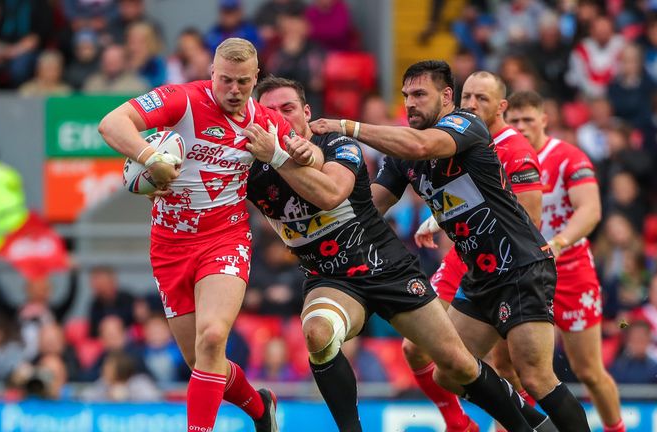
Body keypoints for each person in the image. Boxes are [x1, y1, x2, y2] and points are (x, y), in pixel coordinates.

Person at [245, 76, 548, 432]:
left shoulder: (338, 144)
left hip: (387, 267)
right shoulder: (250, 166)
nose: (280, 117)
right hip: (331, 278)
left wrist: (281, 157)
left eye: (288, 108)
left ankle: (533, 426)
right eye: (270, 110)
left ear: (306, 112)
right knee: (317, 334)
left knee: (459, 365)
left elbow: (330, 194)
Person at [310, 60, 590, 432]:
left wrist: (348, 127)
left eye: (420, 94)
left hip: (521, 266)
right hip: (480, 274)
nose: (410, 103)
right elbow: (371, 206)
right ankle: (540, 427)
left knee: (537, 377)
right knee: (451, 370)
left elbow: (424, 145)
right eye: (406, 95)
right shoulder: (400, 155)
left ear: (446, 97)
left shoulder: (465, 125)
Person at [98, 38, 289, 432]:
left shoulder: (265, 121)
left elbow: (313, 157)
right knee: (201, 360)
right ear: (211, 74)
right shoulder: (180, 99)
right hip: (169, 245)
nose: (233, 91)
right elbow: (111, 124)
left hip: (225, 238)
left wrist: (294, 154)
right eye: (225, 81)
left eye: (242, 82)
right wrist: (149, 158)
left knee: (213, 336)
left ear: (256, 79)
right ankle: (260, 408)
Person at [409, 70, 545, 430]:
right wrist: (438, 219)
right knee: (416, 346)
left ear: (500, 107)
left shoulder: (514, 147)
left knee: (507, 366)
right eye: (466, 97)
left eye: (480, 99)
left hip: (504, 260)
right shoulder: (457, 136)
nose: (470, 105)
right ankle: (457, 422)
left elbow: (527, 220)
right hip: (464, 255)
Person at [505, 90, 625, 432]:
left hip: (570, 270)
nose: (521, 126)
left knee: (588, 370)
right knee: (512, 368)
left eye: (528, 119)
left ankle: (616, 429)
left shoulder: (569, 157)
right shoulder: (498, 155)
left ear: (545, 119)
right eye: (514, 120)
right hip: (520, 272)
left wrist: (559, 242)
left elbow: (591, 210)